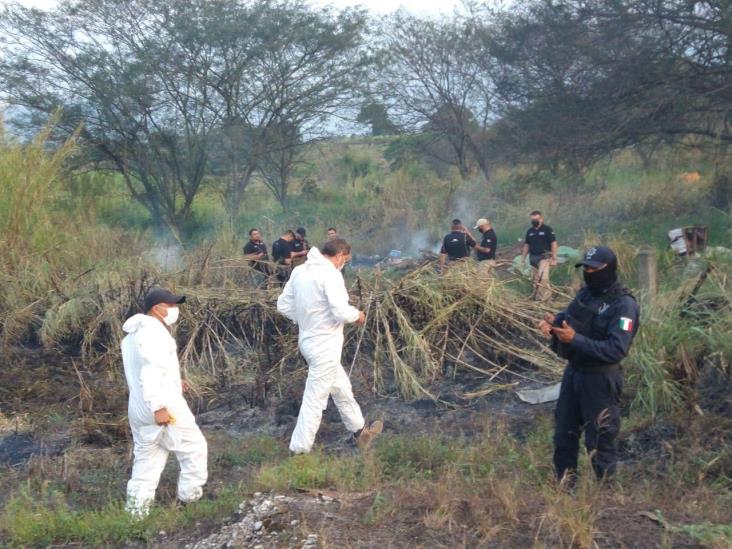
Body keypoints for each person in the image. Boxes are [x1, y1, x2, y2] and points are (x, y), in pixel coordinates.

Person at [538, 246, 639, 484]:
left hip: (600, 380)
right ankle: (565, 487)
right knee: (564, 434)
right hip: (574, 373)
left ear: (609, 268)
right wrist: (553, 323)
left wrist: (575, 339)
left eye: (594, 268)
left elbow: (616, 349)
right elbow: (570, 316)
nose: (589, 272)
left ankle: (605, 493)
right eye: (586, 268)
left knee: (601, 439)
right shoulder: (586, 294)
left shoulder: (623, 305)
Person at [276, 238, 383, 454]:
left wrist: (308, 319)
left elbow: (283, 306)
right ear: (340, 255)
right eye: (346, 259)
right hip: (325, 345)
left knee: (341, 388)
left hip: (308, 342)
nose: (344, 264)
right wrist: (358, 315)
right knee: (314, 400)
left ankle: (361, 432)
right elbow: (340, 312)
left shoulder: (300, 271)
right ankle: (298, 451)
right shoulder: (331, 275)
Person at [121, 288, 208, 517]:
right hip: (162, 405)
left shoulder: (132, 336)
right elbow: (150, 370)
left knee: (146, 465)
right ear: (157, 308)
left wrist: (174, 380)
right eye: (170, 305)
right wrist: (159, 407)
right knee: (194, 449)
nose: (175, 310)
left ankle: (135, 517)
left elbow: (144, 368)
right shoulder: (153, 333)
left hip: (139, 408)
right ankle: (189, 501)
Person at [521, 211, 558, 301]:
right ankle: (538, 298)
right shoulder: (530, 231)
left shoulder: (547, 229)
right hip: (533, 257)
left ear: (541, 219)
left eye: (536, 219)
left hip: (544, 257)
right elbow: (527, 245)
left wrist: (554, 257)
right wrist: (523, 258)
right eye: (532, 220)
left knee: (543, 278)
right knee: (535, 279)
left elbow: (553, 243)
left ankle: (546, 299)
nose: (534, 221)